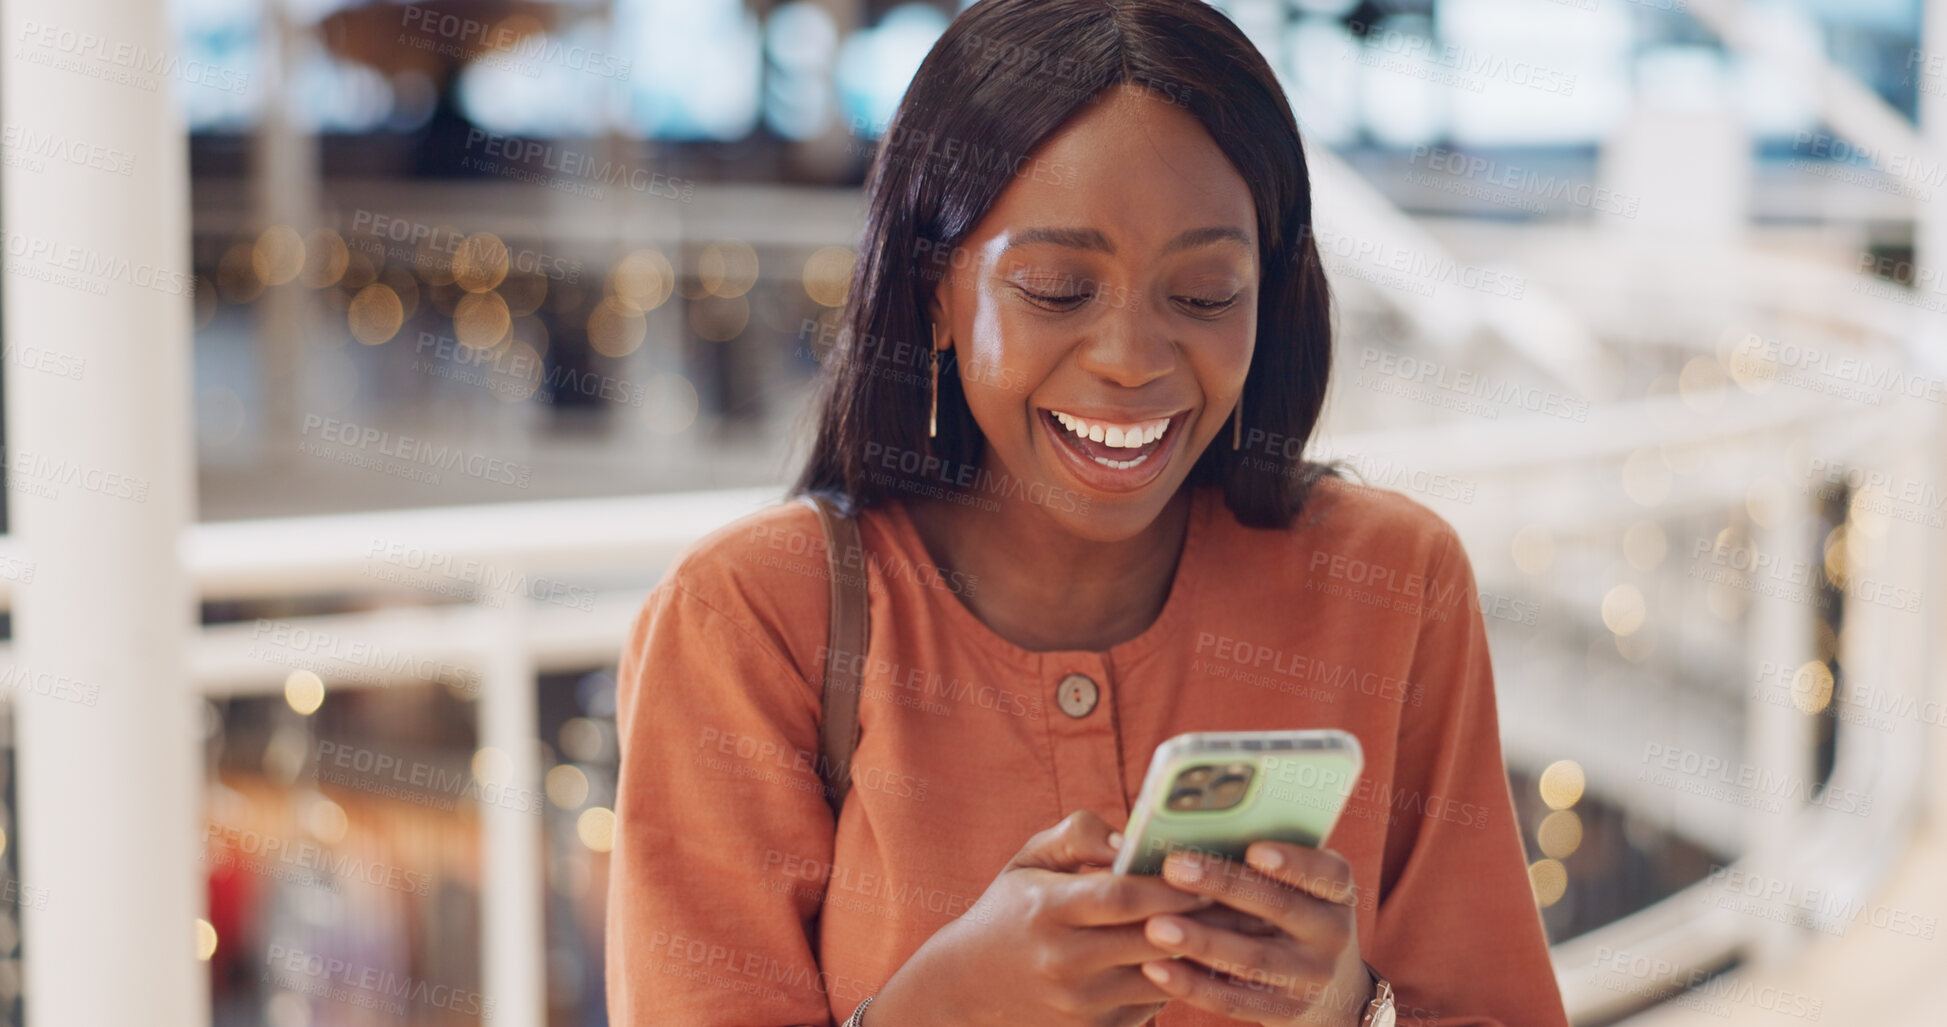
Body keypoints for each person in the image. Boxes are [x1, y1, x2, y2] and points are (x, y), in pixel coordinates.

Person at [607, 1, 1570, 1024]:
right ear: (935, 287)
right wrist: (943, 1007)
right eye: (1060, 289)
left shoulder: (1390, 582)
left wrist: (1341, 1002)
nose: (1132, 360)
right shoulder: (749, 622)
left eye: (1204, 295)